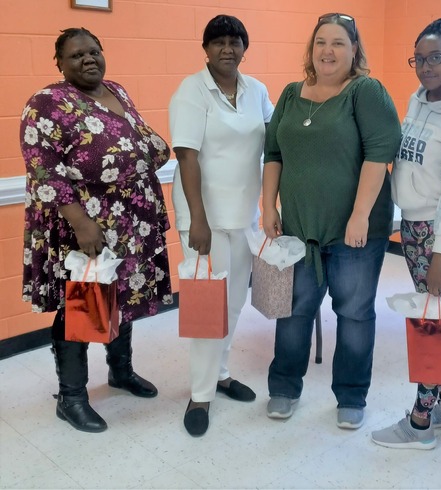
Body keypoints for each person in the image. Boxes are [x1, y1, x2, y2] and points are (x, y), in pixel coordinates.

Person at [19, 28, 173, 433]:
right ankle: (71, 398)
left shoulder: (117, 91)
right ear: (59, 63)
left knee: (121, 293)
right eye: (75, 56)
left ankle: (120, 371)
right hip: (86, 224)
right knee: (80, 303)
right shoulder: (47, 104)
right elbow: (44, 170)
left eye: (93, 51)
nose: (87, 60)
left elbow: (137, 144)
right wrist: (82, 223)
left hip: (132, 219)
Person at [262, 12, 401, 430]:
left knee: (354, 313)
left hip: (355, 232)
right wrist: (269, 207)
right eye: (321, 41)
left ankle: (351, 396)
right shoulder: (289, 94)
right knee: (293, 310)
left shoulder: (365, 92)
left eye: (339, 42)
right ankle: (284, 388)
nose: (328, 50)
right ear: (311, 49)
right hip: (299, 230)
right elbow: (274, 154)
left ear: (354, 50)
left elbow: (379, 155)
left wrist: (359, 217)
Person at [370, 17, 441, 449]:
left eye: (435, 58)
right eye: (418, 58)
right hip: (418, 226)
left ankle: (420, 421)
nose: (425, 66)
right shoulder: (418, 100)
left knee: (430, 321)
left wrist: (439, 255)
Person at [169, 14, 274, 437]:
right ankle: (200, 394)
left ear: (245, 47)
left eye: (235, 41)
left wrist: (269, 207)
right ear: (205, 48)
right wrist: (198, 219)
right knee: (205, 309)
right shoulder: (192, 91)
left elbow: (273, 145)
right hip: (204, 221)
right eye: (218, 42)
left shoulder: (257, 90)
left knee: (232, 304)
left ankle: (222, 374)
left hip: (243, 215)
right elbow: (187, 156)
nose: (227, 49)